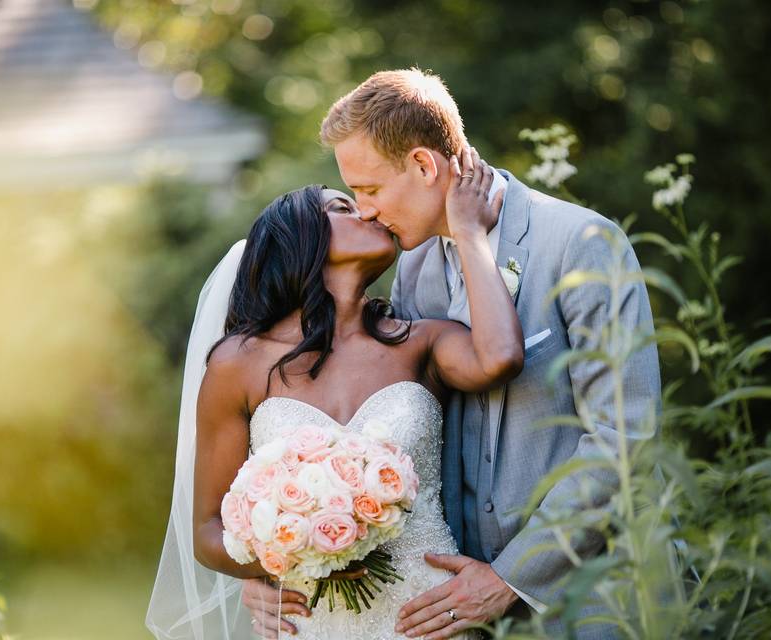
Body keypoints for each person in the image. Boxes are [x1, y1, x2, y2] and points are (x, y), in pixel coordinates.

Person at [241, 69, 662, 639]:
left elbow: (623, 440)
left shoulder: (581, 245)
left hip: (595, 601)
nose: (363, 211)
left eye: (368, 190)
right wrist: (272, 560)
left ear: (423, 165)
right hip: (450, 608)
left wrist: (510, 578)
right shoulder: (410, 268)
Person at [145, 148, 525, 639]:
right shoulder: (238, 363)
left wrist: (470, 234)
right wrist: (287, 549)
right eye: (343, 207)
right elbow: (207, 530)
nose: (367, 211)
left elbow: (501, 358)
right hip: (309, 622)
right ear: (299, 238)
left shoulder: (420, 342)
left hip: (428, 618)